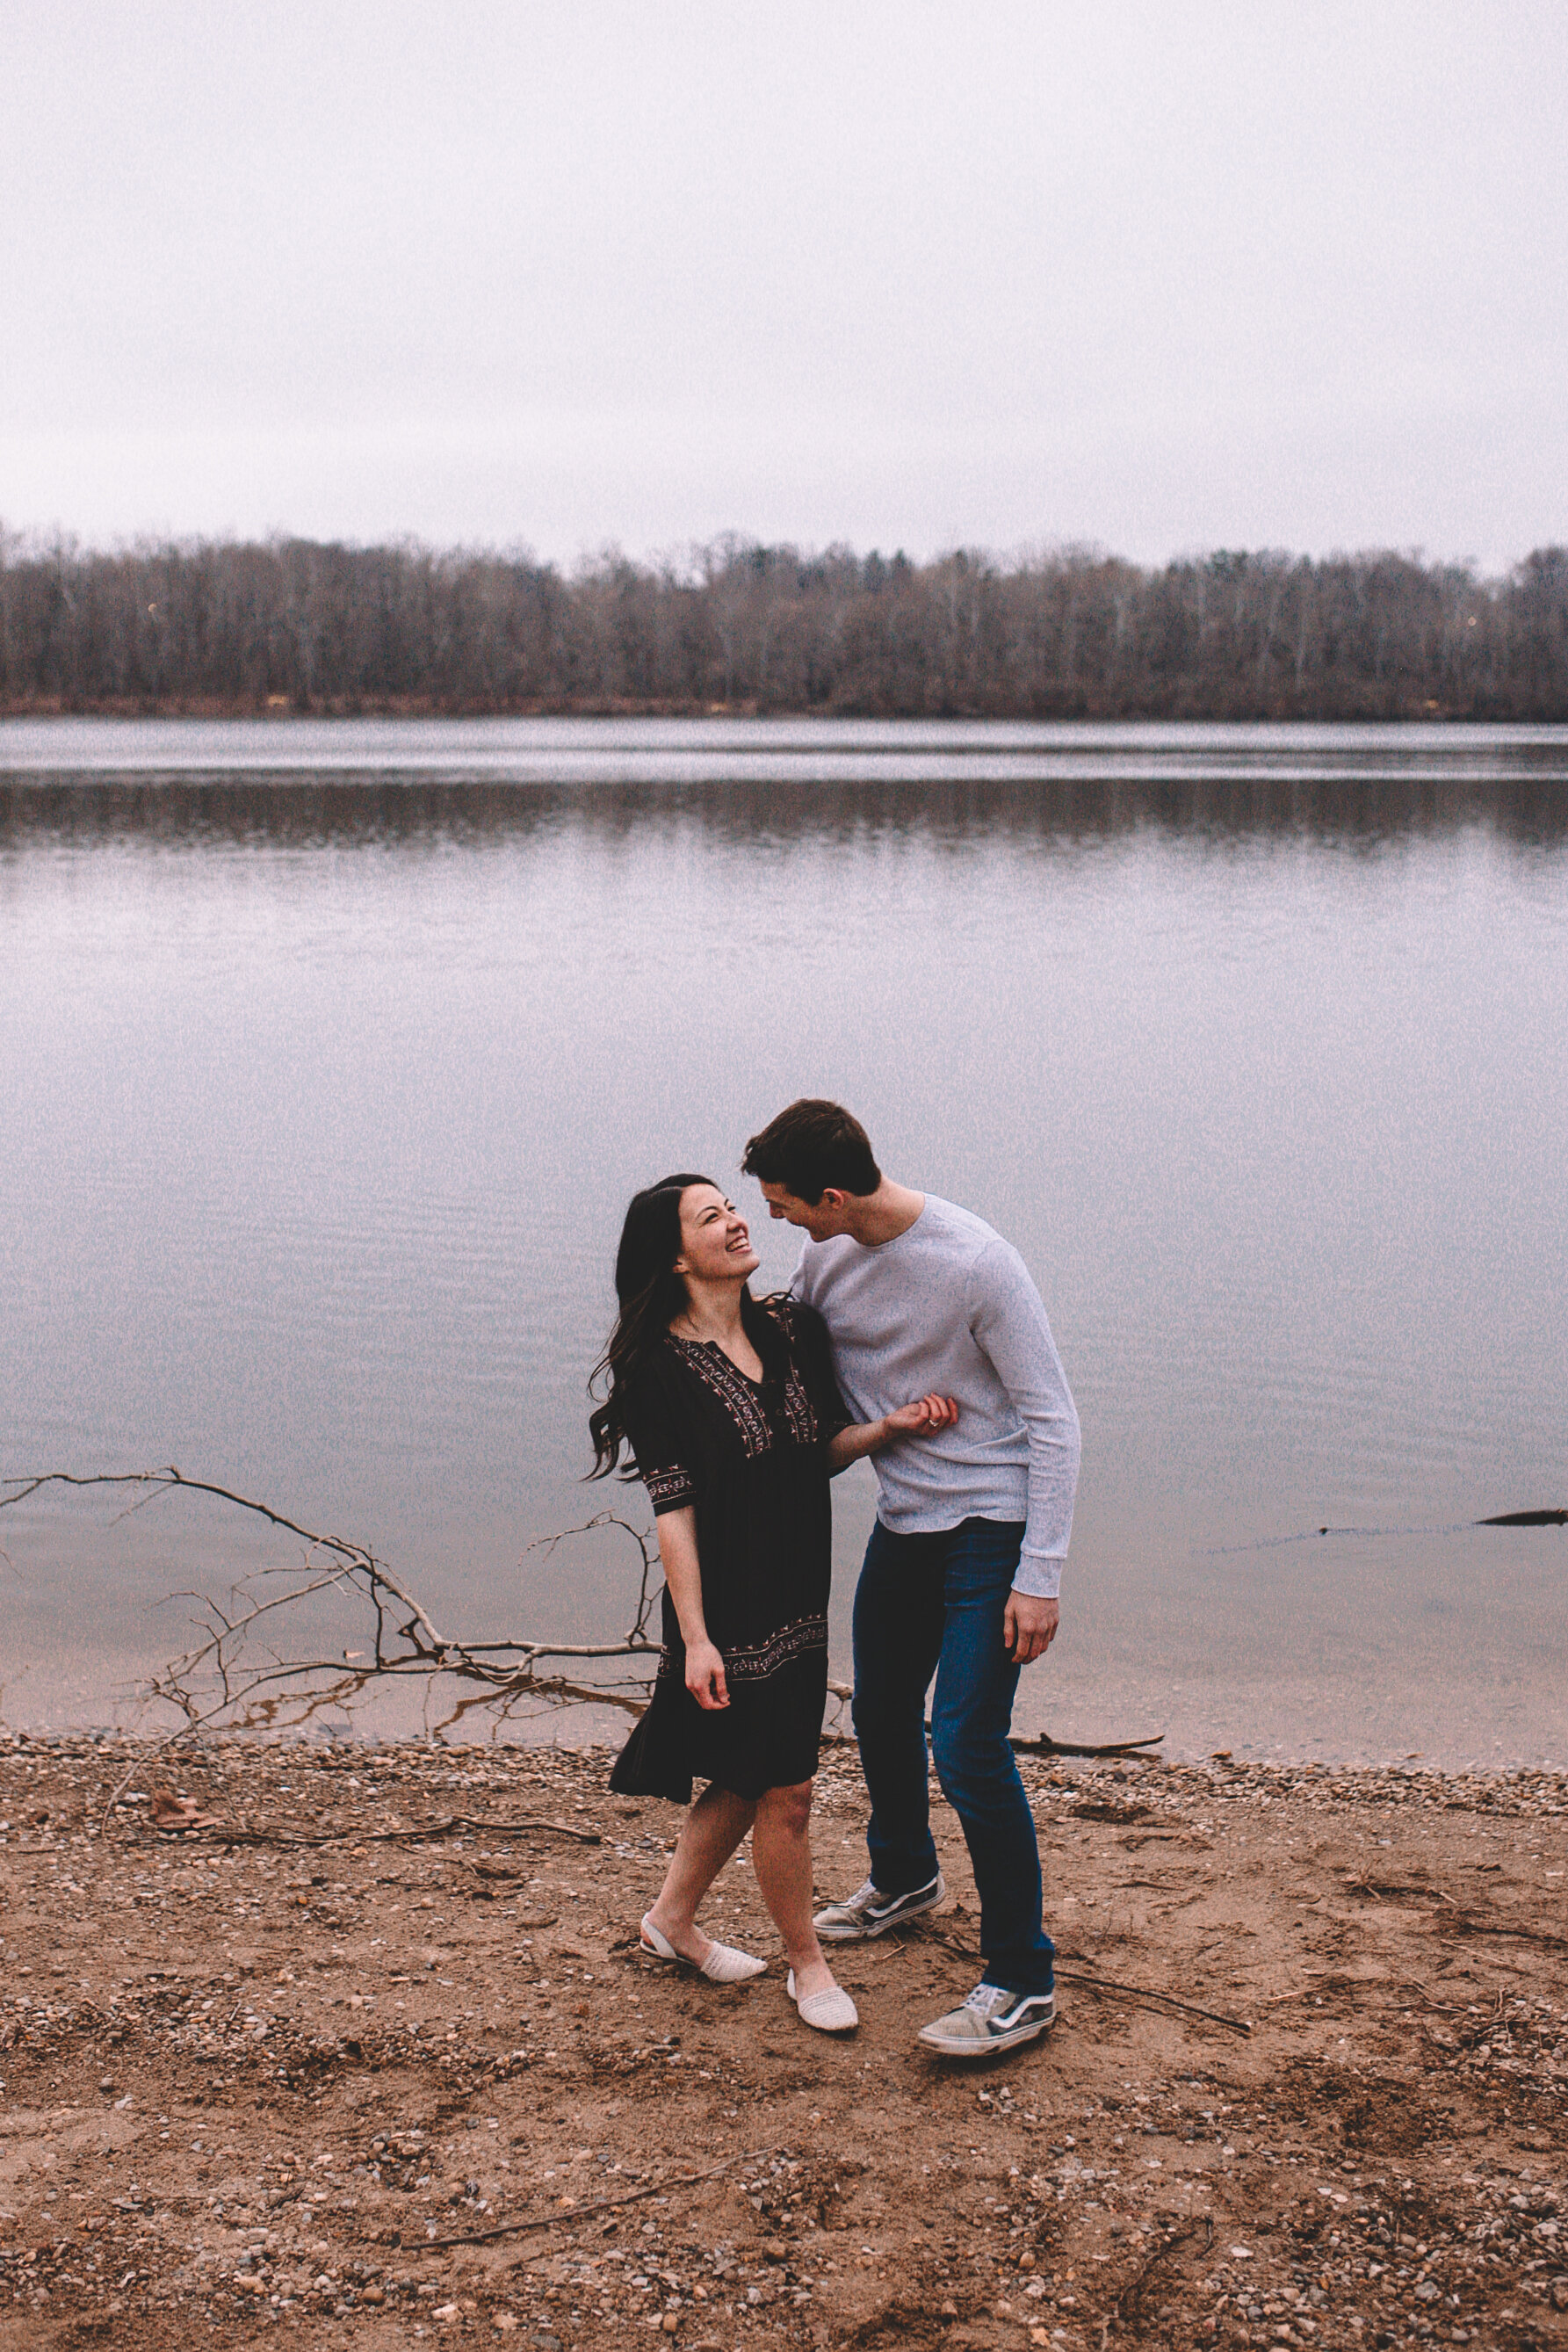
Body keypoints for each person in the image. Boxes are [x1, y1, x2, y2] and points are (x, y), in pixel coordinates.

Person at [741, 1101, 1081, 2060]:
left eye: (784, 1206)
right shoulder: (829, 1257)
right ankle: (904, 1878)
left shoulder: (977, 1262)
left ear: (835, 1195)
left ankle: (1022, 1978)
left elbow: (1054, 1420)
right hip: (908, 1517)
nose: (778, 1223)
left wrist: (1040, 1574)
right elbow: (807, 1385)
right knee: (882, 1711)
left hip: (993, 1519)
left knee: (967, 1743)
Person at [589, 1173, 958, 2037]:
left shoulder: (794, 1327)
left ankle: (669, 1921)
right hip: (725, 1611)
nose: (735, 1220)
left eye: (732, 1206)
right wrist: (697, 1638)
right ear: (677, 1255)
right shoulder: (658, 1371)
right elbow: (672, 1508)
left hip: (799, 1594)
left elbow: (818, 1449)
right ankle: (808, 1963)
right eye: (710, 1216)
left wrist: (888, 1428)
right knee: (786, 1789)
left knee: (747, 1773)